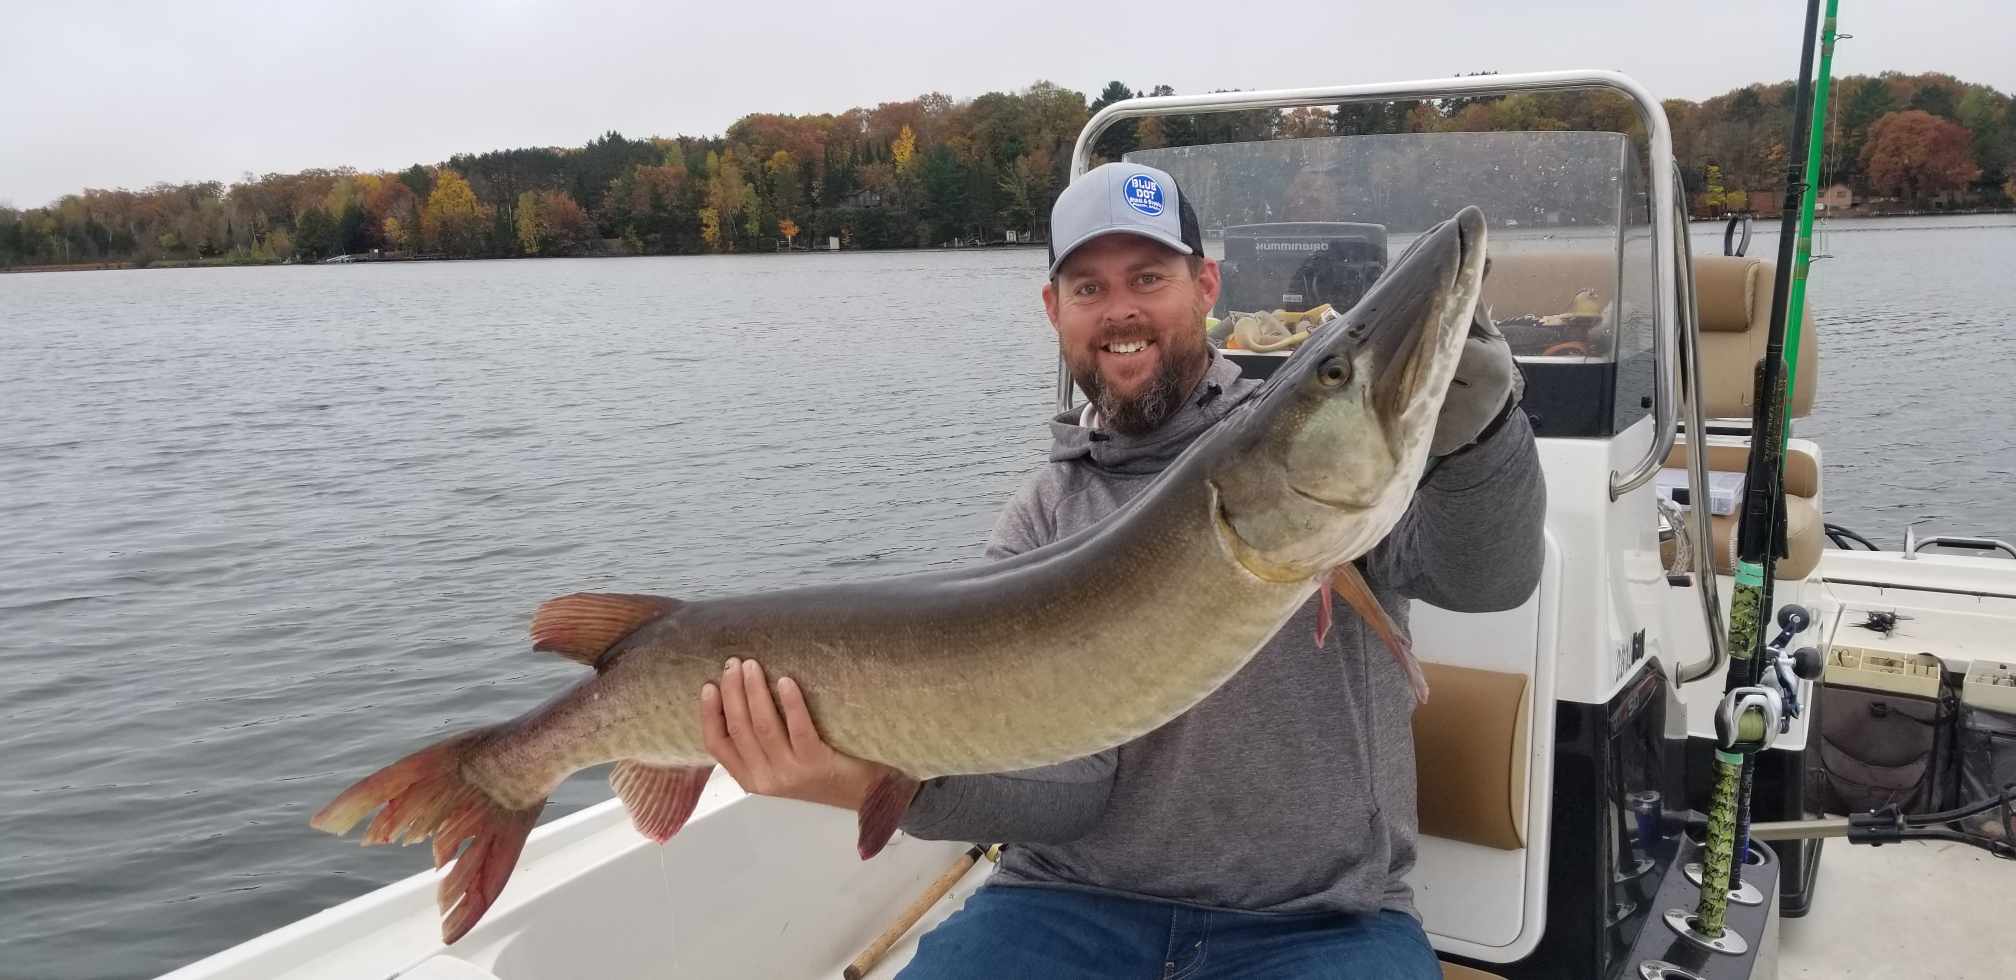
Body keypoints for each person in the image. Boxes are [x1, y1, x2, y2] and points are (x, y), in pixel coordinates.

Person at [697, 162, 1546, 978]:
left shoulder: (1323, 462)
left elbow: (1488, 579)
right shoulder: (1045, 512)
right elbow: (1067, 794)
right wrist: (864, 779)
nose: (1119, 311)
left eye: (1148, 277)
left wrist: (1482, 436)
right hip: (1066, 907)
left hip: (1318, 921)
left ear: (1206, 288)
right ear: (1054, 310)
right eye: (1089, 288)